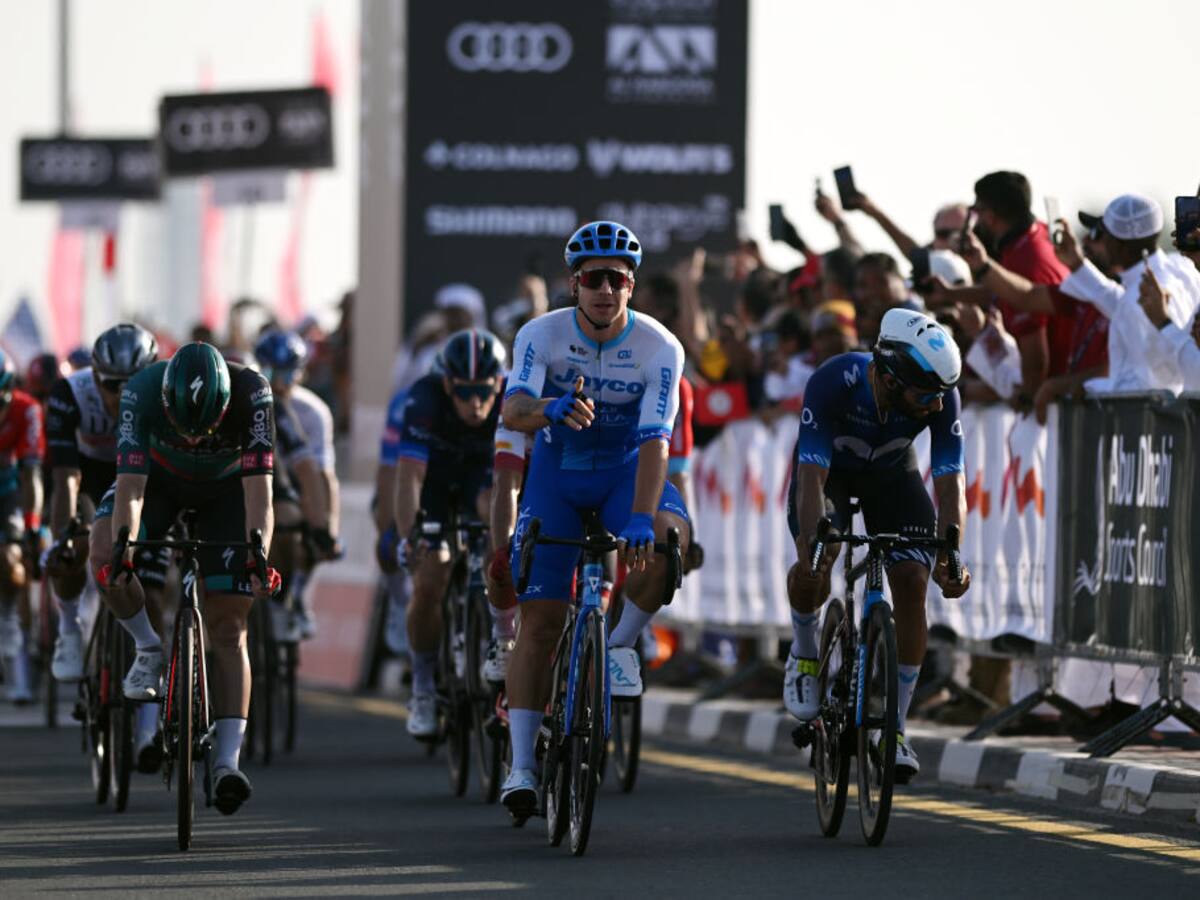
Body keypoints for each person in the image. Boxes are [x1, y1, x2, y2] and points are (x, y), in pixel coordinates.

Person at [498, 220, 689, 819]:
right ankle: (522, 766)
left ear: (631, 285)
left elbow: (658, 438)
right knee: (540, 622)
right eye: (593, 279)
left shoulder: (661, 346)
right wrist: (548, 406)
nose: (605, 289)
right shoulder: (540, 334)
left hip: (625, 472)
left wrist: (637, 515)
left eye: (617, 279)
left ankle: (619, 647)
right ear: (573, 283)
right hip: (558, 475)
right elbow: (513, 407)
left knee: (667, 541)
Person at [88, 342, 279, 815]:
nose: (194, 439)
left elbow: (261, 496)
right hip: (158, 482)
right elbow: (130, 491)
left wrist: (258, 556)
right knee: (103, 552)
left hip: (226, 493)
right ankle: (148, 648)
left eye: (207, 429)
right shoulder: (141, 391)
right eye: (184, 429)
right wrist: (124, 547)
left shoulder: (254, 393)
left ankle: (228, 763)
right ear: (167, 405)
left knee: (230, 628)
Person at [785, 308, 970, 781]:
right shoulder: (834, 381)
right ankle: (805, 652)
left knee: (912, 580)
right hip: (830, 475)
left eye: (940, 397)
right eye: (924, 396)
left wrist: (951, 554)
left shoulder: (941, 396)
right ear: (888, 377)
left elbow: (950, 485)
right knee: (816, 561)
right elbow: (810, 477)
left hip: (892, 478)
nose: (934, 406)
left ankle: (896, 729)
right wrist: (813, 543)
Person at [43, 325, 164, 763]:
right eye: (113, 386)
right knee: (71, 548)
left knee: (150, 593)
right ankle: (70, 629)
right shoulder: (68, 394)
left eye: (134, 384)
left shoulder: (164, 397)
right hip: (91, 475)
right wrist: (64, 536)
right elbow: (64, 479)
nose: (122, 395)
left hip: (144, 479)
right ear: (94, 377)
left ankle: (149, 729)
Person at [387, 329, 508, 739]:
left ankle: (500, 644)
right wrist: (410, 535)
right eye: (464, 393)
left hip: (482, 475)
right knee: (430, 576)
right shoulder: (424, 398)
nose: (475, 404)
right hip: (436, 480)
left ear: (498, 383)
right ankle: (422, 686)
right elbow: (408, 479)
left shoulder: (511, 397)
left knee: (496, 522)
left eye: (484, 392)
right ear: (447, 385)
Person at [1055, 193, 1200, 394]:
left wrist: (1087, 388)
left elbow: (1146, 385)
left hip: (1153, 422)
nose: (1099, 242)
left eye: (1101, 235)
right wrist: (1077, 265)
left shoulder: (1140, 297)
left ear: (1119, 245)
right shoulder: (1181, 267)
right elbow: (1123, 304)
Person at [253, 332, 341, 639]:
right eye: (270, 372)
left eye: (287, 373)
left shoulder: (313, 412)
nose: (278, 382)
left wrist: (327, 530)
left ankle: (296, 596)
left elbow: (319, 475)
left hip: (290, 480)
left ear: (302, 372)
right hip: (255, 475)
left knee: (304, 526)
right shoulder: (254, 399)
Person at [0, 352, 44, 704]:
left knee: (12, 560)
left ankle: (15, 633)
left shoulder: (27, 408)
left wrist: (30, 527)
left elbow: (32, 476)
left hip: (11, 488)